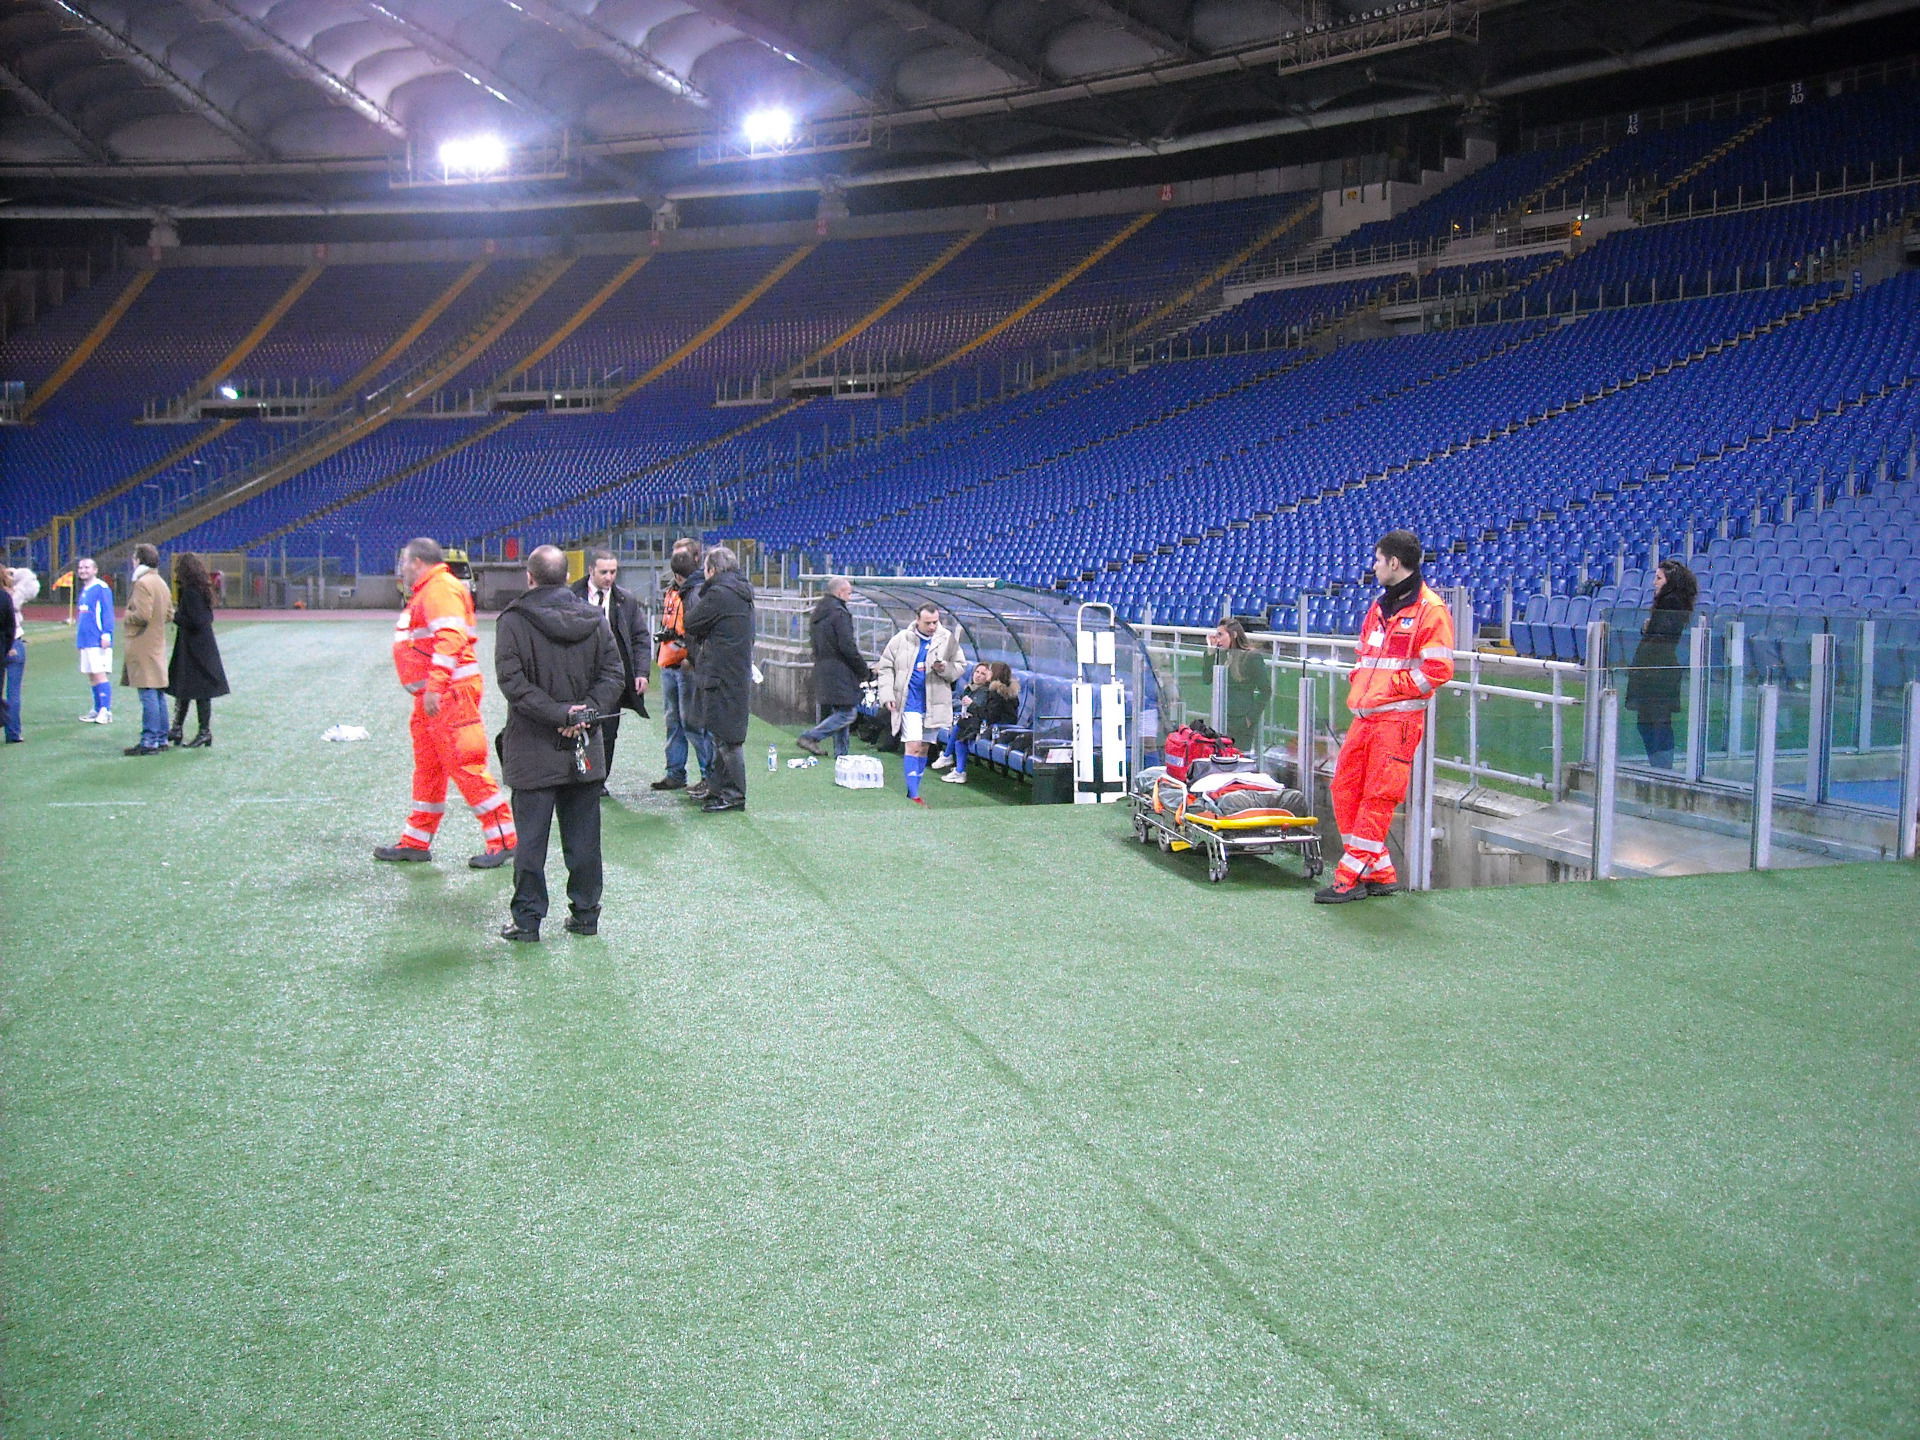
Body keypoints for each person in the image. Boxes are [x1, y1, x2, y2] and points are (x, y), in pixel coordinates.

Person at [494, 545, 625, 943]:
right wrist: (583, 714)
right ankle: (586, 915)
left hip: (533, 747)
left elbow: (513, 684)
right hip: (583, 748)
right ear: (570, 576)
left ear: (529, 577)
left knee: (530, 843)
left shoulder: (513, 620)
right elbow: (613, 674)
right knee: (584, 840)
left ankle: (528, 921)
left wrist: (559, 715)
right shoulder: (593, 617)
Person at [1317, 530, 1455, 904]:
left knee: (1378, 798)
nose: (1374, 566)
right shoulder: (1379, 607)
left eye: (1378, 560)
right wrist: (1362, 683)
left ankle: (1349, 877)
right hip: (1366, 717)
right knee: (1343, 789)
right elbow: (1364, 654)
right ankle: (1379, 871)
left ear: (1394, 563)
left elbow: (1439, 670)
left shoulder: (1431, 610)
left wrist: (1388, 689)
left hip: (1398, 723)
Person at [374, 537, 517, 868]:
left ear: (417, 562)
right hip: (435, 697)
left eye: (404, 563)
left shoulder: (439, 589)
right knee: (429, 769)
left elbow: (450, 639)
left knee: (466, 765)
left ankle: (505, 839)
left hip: (448, 695)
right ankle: (416, 841)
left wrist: (436, 687)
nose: (401, 570)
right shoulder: (432, 590)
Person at [569, 547, 650, 793]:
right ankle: (578, 774)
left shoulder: (626, 600)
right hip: (579, 675)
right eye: (604, 572)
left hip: (613, 677)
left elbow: (640, 638)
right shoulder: (571, 596)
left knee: (608, 731)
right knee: (578, 725)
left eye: (613, 572)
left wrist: (641, 672)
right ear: (591, 570)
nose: (609, 577)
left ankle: (598, 780)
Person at [682, 544, 754, 814]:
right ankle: (718, 790)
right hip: (733, 673)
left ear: (712, 570)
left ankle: (734, 795)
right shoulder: (740, 592)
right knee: (722, 737)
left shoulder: (719, 594)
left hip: (722, 673)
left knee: (728, 740)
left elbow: (692, 622)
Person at [876, 602, 965, 804]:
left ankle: (913, 790)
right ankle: (914, 794)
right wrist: (887, 694)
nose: (932, 626)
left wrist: (944, 668)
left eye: (935, 622)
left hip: (934, 703)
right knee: (913, 745)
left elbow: (959, 668)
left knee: (924, 748)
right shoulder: (901, 639)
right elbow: (885, 667)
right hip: (909, 702)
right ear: (917, 620)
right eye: (928, 623)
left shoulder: (948, 640)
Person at [652, 539, 715, 795]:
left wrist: (691, 656)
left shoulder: (697, 591)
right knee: (673, 721)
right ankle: (675, 773)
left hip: (688, 666)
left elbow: (699, 630)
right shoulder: (674, 589)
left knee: (694, 724)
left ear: (696, 557)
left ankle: (708, 776)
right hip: (670, 663)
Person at [1623, 559, 1698, 771]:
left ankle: (1662, 770)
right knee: (1651, 722)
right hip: (1653, 670)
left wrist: (1649, 629)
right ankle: (1660, 768)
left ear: (1670, 582)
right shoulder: (1667, 606)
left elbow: (1661, 637)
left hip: (1657, 672)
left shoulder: (1671, 604)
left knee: (1655, 723)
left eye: (1658, 578)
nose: (1654, 583)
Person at [797, 576, 872, 759]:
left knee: (841, 710)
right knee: (848, 714)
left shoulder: (818, 612)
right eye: (849, 593)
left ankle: (842, 754)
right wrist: (864, 670)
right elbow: (847, 646)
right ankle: (810, 737)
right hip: (840, 669)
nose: (850, 597)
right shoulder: (839, 613)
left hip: (823, 666)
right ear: (839, 593)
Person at [165, 552, 229, 749]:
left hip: (195, 647)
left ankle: (200, 731)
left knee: (198, 689)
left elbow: (198, 620)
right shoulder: (200, 589)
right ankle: (183, 729)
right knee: (187, 687)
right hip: (197, 645)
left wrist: (175, 616)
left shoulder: (191, 592)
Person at [119, 544, 174, 756]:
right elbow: (169, 613)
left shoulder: (142, 583)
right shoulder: (160, 582)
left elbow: (142, 615)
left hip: (143, 643)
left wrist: (127, 615)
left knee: (148, 692)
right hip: (157, 642)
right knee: (157, 692)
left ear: (139, 559)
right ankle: (160, 738)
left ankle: (149, 740)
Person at [933, 660, 1020, 783]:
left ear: (994, 673)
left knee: (962, 733)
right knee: (963, 724)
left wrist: (972, 706)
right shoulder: (1002, 691)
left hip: (999, 730)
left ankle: (956, 767)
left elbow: (990, 716)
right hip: (997, 726)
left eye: (988, 671)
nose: (985, 673)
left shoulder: (996, 692)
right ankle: (953, 763)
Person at [1208, 617, 1272, 751]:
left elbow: (1265, 690)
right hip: (1222, 715)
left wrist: (1250, 719)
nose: (1217, 639)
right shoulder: (1222, 654)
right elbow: (1207, 679)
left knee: (1237, 757)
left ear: (1234, 635)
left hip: (1241, 719)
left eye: (1220, 635)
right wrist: (1210, 653)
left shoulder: (1251, 657)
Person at [74, 556, 114, 724]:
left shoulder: (101, 587)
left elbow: (107, 612)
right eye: (81, 568)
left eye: (87, 567)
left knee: (99, 674)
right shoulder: (85, 589)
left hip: (97, 639)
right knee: (91, 675)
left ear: (95, 570)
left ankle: (106, 710)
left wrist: (106, 633)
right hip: (85, 639)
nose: (83, 570)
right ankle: (97, 708)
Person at [2, 563, 37, 744]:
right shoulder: (13, 595)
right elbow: (31, 584)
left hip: (4, 644)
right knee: (13, 693)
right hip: (14, 642)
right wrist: (12, 572)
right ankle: (13, 733)